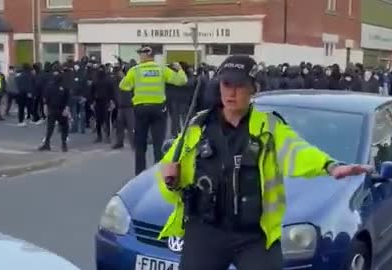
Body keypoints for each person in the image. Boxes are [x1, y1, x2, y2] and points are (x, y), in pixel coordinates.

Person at [159, 55, 373, 270]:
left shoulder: (269, 127)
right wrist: (170, 181)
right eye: (226, 84)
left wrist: (329, 166)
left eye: (240, 85)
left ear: (253, 89)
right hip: (206, 231)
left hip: (254, 236)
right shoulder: (198, 127)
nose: (231, 92)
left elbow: (296, 150)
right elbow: (169, 178)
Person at [119, 44, 187, 175]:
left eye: (140, 54)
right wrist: (179, 69)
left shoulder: (135, 70)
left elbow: (123, 86)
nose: (139, 56)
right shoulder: (161, 69)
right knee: (158, 144)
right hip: (158, 110)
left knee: (140, 144)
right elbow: (181, 81)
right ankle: (159, 175)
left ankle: (139, 174)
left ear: (145, 55)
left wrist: (133, 85)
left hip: (141, 110)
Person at [38, 65, 70, 152]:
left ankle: (64, 144)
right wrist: (45, 106)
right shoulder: (50, 85)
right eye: (55, 73)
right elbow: (45, 97)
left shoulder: (64, 85)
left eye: (57, 73)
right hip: (52, 108)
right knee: (50, 128)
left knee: (64, 127)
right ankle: (47, 144)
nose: (56, 75)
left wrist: (66, 108)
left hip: (61, 109)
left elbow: (68, 97)